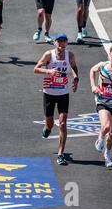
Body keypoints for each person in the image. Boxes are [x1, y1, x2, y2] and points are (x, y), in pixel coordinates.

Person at [34, 34, 79, 166]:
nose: (61, 44)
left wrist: (76, 78)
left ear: (67, 43)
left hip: (63, 93)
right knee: (50, 124)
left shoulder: (70, 55)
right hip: (49, 93)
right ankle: (47, 128)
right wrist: (49, 72)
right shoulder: (49, 55)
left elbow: (74, 67)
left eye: (64, 41)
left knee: (63, 124)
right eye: (59, 41)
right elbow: (35, 69)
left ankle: (60, 154)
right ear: (54, 43)